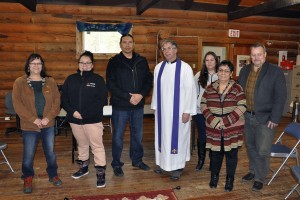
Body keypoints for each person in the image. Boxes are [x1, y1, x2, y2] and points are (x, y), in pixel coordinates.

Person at [238, 43, 287, 191]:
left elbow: (281, 97)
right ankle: (253, 171)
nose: (256, 58)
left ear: (265, 55)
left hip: (266, 119)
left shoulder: (275, 72)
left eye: (259, 54)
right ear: (250, 56)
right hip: (248, 116)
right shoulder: (245, 70)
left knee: (262, 150)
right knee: (251, 147)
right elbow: (240, 93)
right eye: (253, 55)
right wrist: (240, 113)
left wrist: (275, 118)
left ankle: (260, 177)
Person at [12, 53, 62, 194]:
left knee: (50, 153)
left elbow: (57, 102)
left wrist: (47, 118)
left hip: (48, 124)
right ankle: (27, 176)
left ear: (42, 66)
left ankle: (53, 175)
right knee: (28, 154)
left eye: (39, 63)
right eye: (33, 63)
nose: (36, 66)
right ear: (28, 66)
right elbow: (18, 105)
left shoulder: (50, 82)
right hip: (29, 125)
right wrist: (34, 119)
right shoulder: (19, 82)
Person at [106, 33, 153, 177]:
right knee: (118, 137)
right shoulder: (114, 62)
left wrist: (141, 95)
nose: (127, 45)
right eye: (124, 42)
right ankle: (116, 163)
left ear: (133, 44)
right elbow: (111, 84)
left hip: (137, 106)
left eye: (130, 42)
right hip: (120, 106)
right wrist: (128, 97)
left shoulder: (141, 61)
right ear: (120, 45)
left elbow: (148, 80)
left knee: (137, 136)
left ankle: (137, 160)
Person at [151, 39, 197, 180]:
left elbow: (190, 91)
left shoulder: (185, 68)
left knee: (178, 139)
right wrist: (155, 107)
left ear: (176, 50)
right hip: (163, 112)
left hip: (179, 113)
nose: (167, 51)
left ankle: (177, 167)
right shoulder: (158, 68)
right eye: (164, 49)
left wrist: (187, 111)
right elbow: (156, 90)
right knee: (163, 138)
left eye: (170, 48)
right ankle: (164, 164)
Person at [61, 51, 108, 188]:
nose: (84, 65)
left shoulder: (98, 80)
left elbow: (102, 100)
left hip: (92, 120)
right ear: (78, 64)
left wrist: (85, 113)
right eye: (82, 62)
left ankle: (100, 174)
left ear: (92, 65)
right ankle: (84, 169)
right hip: (75, 120)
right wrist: (73, 112)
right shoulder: (70, 79)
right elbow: (64, 99)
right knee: (81, 145)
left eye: (88, 62)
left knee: (97, 146)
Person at [201, 60, 246, 191]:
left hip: (232, 128)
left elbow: (242, 106)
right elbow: (203, 104)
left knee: (231, 155)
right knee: (215, 154)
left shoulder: (237, 88)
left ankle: (229, 179)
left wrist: (226, 121)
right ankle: (214, 177)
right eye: (220, 70)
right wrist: (213, 120)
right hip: (213, 128)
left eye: (226, 71)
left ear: (231, 73)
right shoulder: (210, 87)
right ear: (217, 72)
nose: (223, 73)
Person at [194, 51, 219, 171]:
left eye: (212, 60)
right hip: (200, 112)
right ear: (204, 62)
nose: (209, 62)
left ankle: (213, 161)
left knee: (214, 137)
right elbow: (193, 92)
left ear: (216, 61)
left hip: (215, 113)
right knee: (203, 137)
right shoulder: (199, 75)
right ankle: (201, 161)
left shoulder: (221, 75)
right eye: (207, 60)